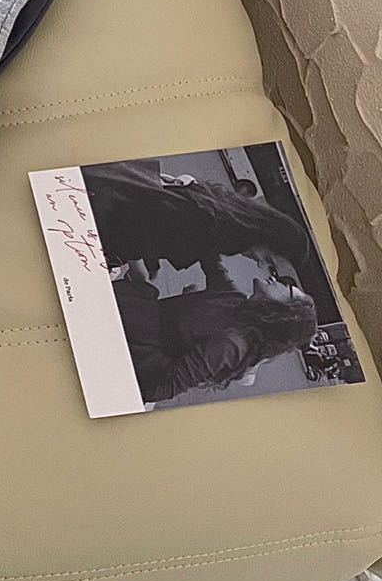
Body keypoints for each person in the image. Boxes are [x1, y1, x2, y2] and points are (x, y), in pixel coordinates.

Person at [113, 258, 318, 403]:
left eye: (288, 288)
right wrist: (250, 242)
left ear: (284, 313)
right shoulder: (237, 299)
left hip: (126, 345)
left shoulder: (232, 345)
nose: (277, 279)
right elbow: (211, 259)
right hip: (131, 316)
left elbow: (162, 388)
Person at [83, 159, 310, 276]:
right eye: (267, 258)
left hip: (103, 193)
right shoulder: (209, 229)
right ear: (264, 235)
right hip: (94, 219)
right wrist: (132, 260)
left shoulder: (223, 210)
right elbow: (137, 223)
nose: (260, 264)